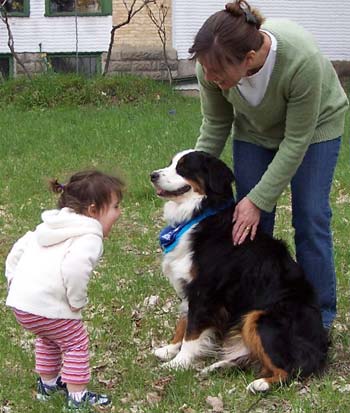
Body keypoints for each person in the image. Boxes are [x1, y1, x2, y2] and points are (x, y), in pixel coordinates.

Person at [189, 0, 349, 330]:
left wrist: (259, 199)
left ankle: (318, 318)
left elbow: (295, 142)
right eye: (206, 69)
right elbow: (216, 125)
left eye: (217, 73)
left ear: (248, 59)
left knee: (310, 216)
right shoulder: (210, 67)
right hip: (255, 132)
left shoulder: (300, 60)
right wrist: (190, 179)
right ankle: (245, 314)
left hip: (315, 130)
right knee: (246, 225)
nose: (209, 77)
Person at [5, 170, 124, 410]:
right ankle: (77, 398)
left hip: (22, 305)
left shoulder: (48, 225)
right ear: (93, 210)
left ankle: (47, 387)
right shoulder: (90, 236)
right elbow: (75, 268)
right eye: (115, 206)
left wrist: (13, 282)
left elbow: (17, 250)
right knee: (75, 342)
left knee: (49, 338)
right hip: (49, 306)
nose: (119, 213)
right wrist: (76, 300)